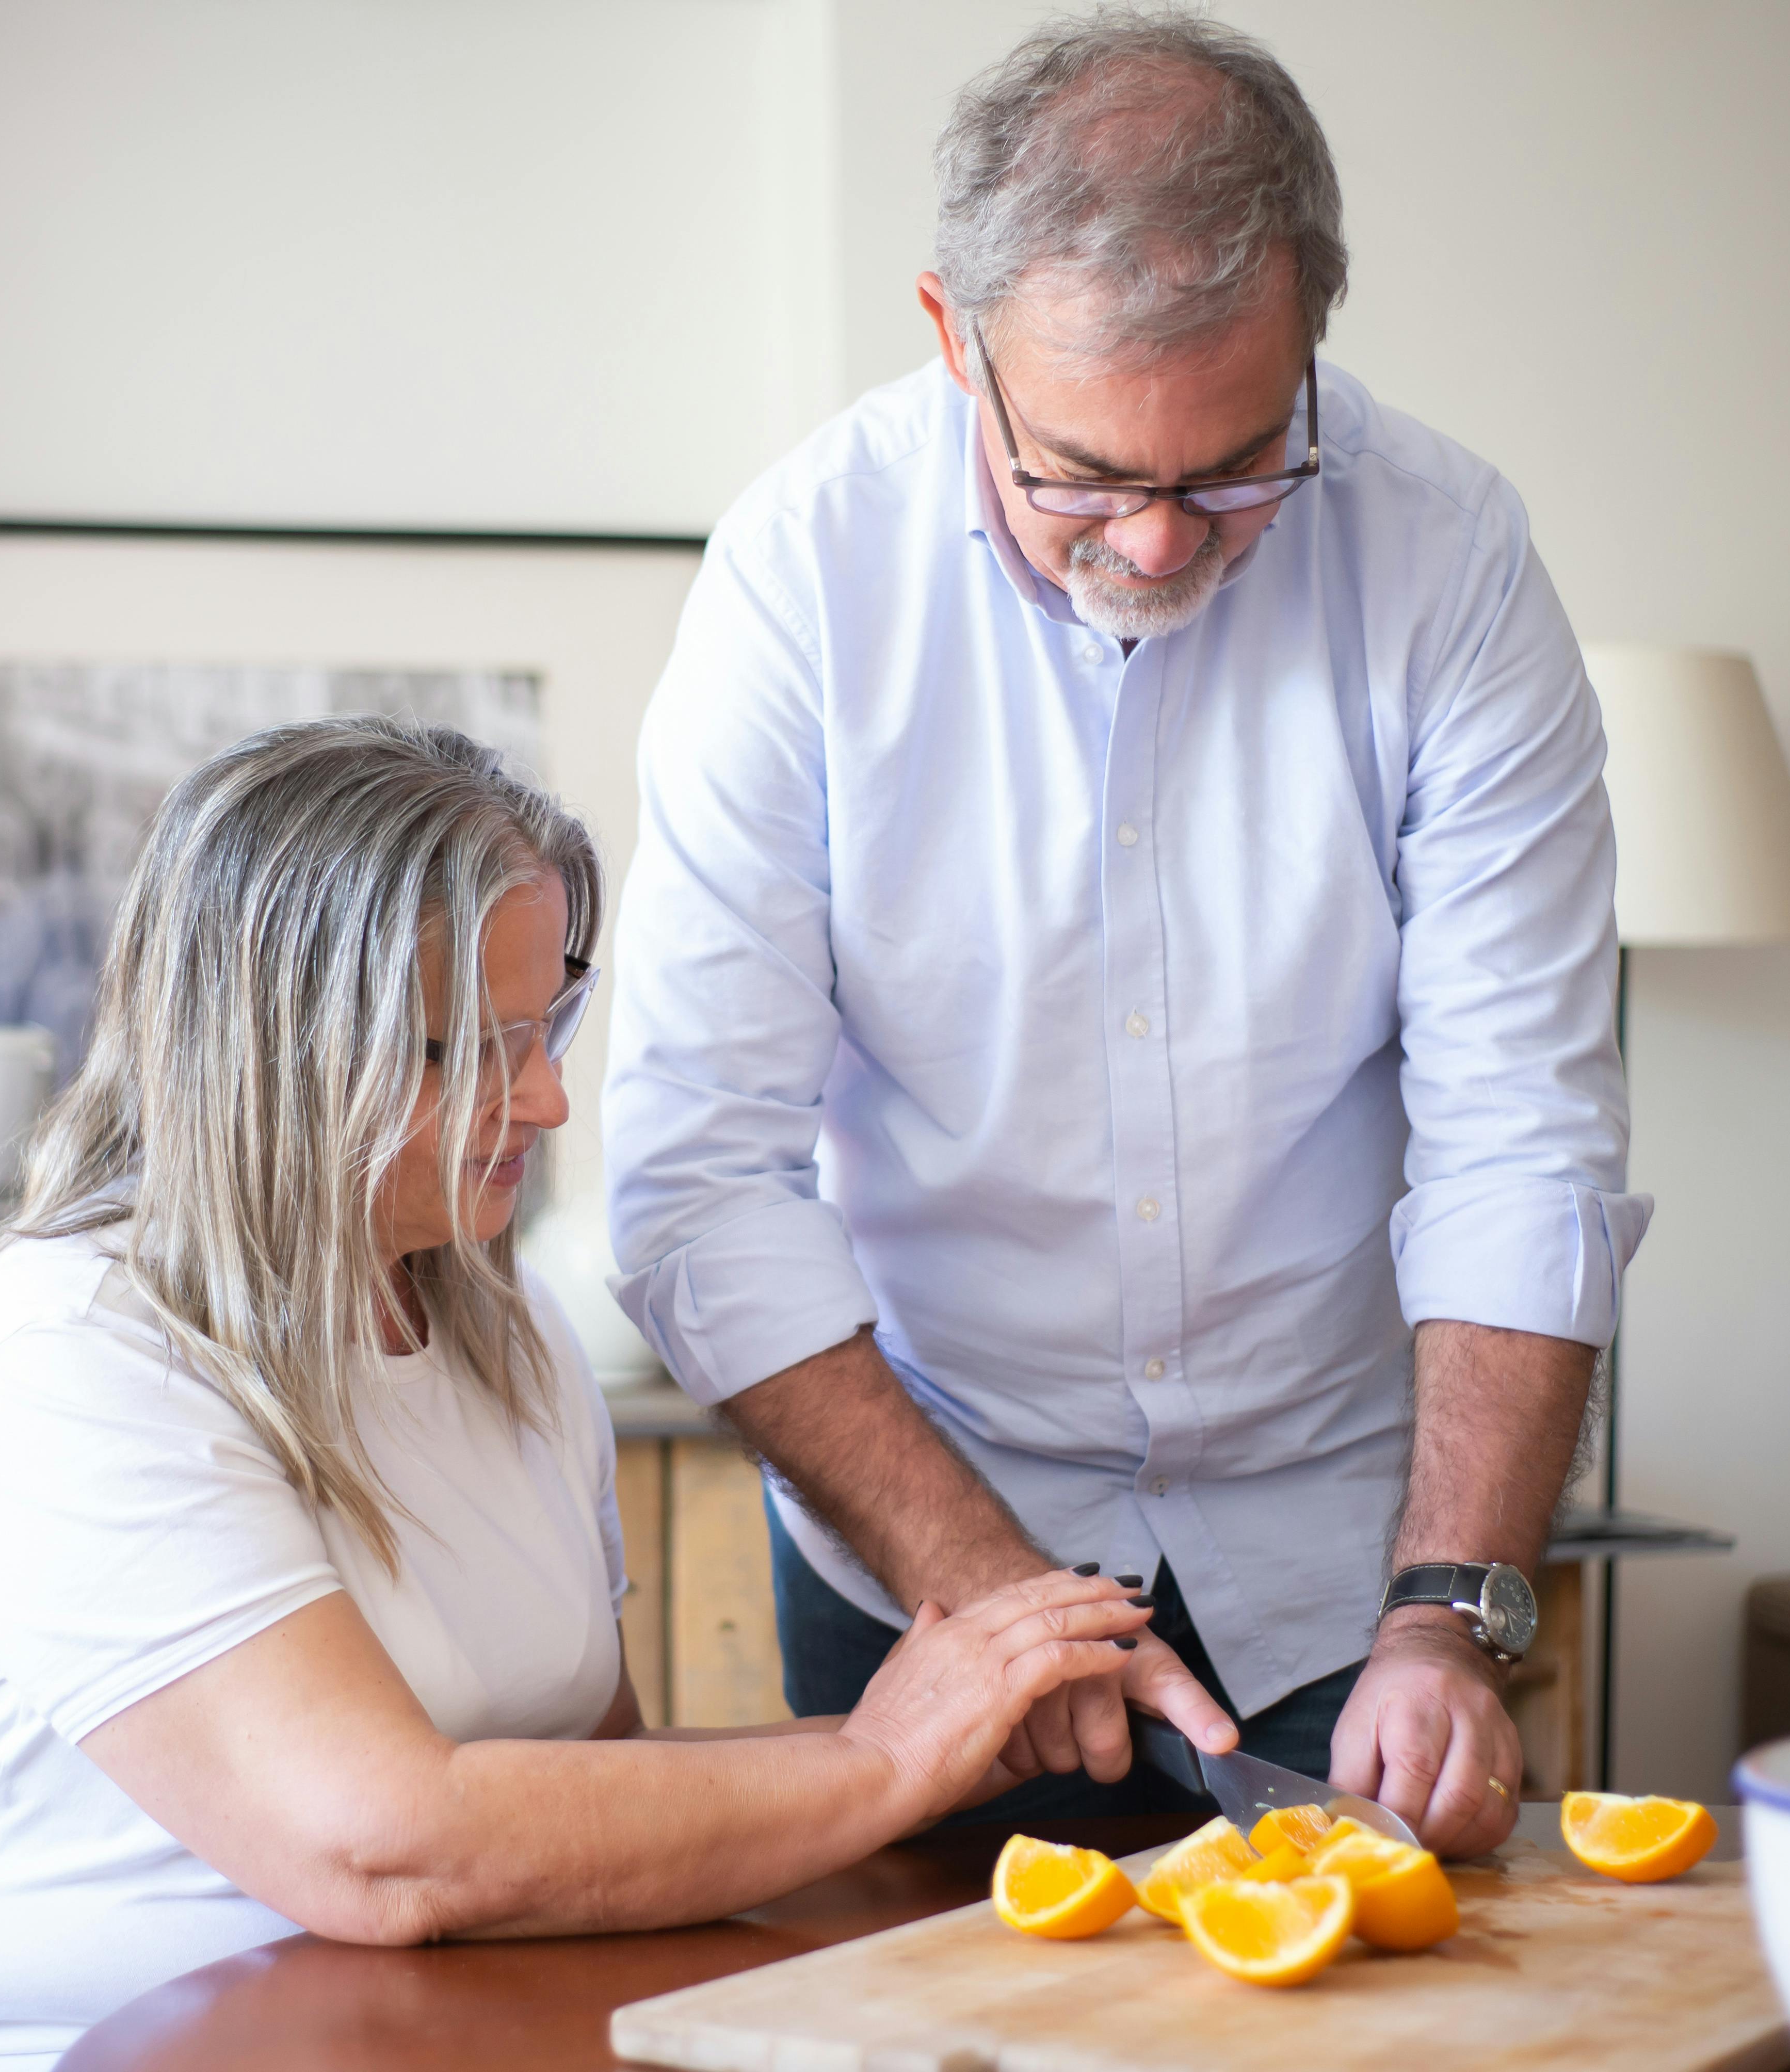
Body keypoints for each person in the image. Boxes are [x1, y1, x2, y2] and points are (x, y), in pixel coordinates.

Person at [604, 9, 1646, 1858]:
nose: (1161, 546)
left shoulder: (1455, 569)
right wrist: (987, 1586)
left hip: (1343, 1569)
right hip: (923, 1540)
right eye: (1083, 475)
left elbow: (1522, 1142)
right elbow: (701, 1185)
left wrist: (1449, 1606)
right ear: (953, 337)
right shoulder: (797, 585)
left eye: (1240, 467)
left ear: (1319, 320)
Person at [0, 718, 1154, 2071]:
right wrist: (876, 1765)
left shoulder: (497, 1324)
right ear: (272, 1052)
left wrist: (961, 1735)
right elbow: (388, 1849)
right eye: (464, 1050)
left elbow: (592, 1789)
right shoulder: (70, 1358)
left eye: (547, 1028)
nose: (549, 1100)